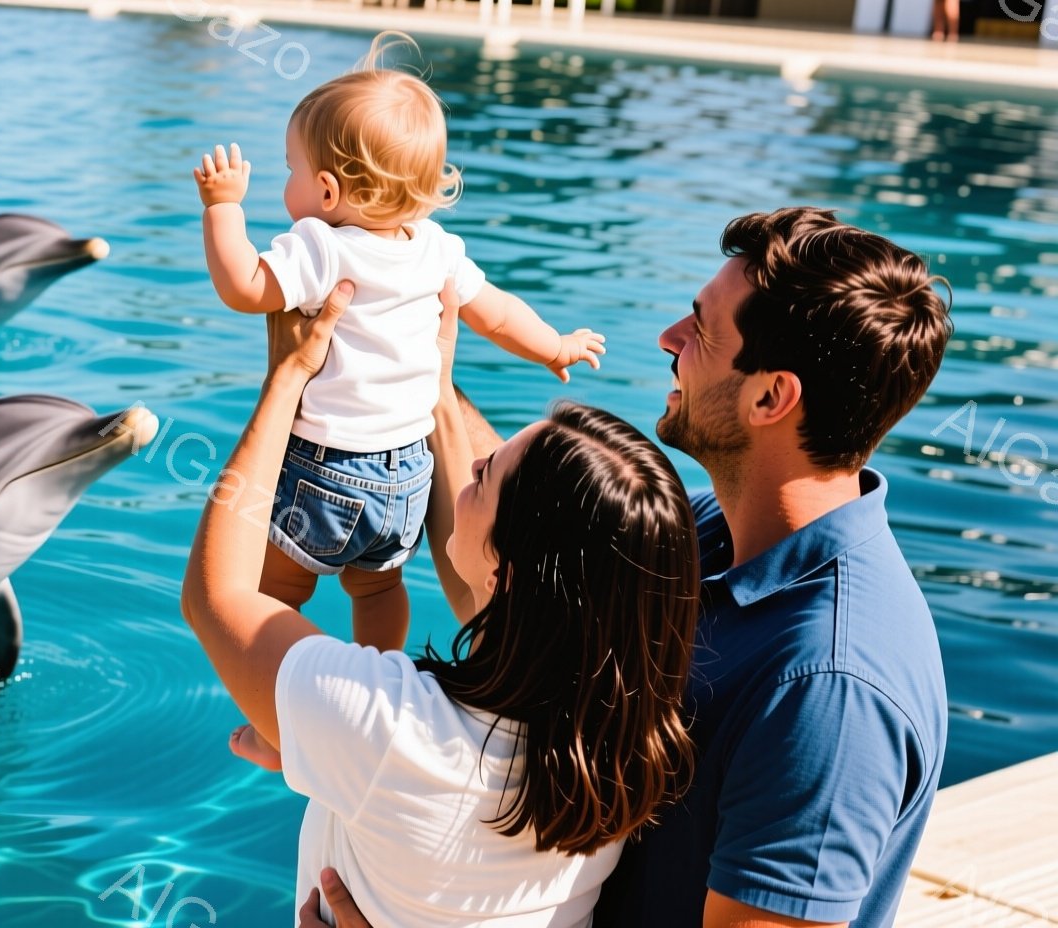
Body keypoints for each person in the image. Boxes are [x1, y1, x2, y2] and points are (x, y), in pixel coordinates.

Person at [303, 207, 956, 928]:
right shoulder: (705, 532)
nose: (669, 339)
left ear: (771, 397)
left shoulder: (830, 690)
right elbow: (515, 571)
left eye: (701, 330)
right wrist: (411, 369)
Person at [177, 279, 698, 926]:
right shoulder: (626, 747)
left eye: (487, 474)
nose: (470, 470)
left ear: (506, 577)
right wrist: (435, 389)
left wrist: (287, 379)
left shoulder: (392, 727)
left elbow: (216, 596)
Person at [190, 34, 605, 768]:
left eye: (290, 170)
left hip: (324, 471)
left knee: (264, 597)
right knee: (377, 590)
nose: (287, 186)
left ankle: (291, 726)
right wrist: (554, 347)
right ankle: (375, 683)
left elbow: (244, 288)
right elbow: (497, 313)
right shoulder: (437, 247)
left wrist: (223, 210)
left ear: (325, 192)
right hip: (406, 476)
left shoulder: (320, 244)